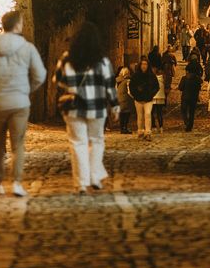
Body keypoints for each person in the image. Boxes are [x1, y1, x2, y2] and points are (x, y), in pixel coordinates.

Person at [0, 8, 46, 197]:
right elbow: (40, 74)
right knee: (18, 145)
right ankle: (17, 184)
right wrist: (27, 90)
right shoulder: (27, 48)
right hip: (20, 103)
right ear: (18, 25)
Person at [54, 22, 118, 193]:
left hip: (74, 107)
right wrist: (115, 105)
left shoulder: (67, 59)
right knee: (97, 141)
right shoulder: (102, 61)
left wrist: (72, 87)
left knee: (78, 143)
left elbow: (58, 81)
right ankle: (95, 176)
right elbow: (110, 85)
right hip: (97, 108)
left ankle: (81, 183)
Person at [128, 56, 158, 140]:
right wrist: (136, 94)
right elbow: (131, 87)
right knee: (140, 116)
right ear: (140, 65)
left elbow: (156, 86)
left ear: (148, 65)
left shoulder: (151, 76)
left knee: (148, 114)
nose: (144, 66)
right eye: (142, 64)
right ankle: (140, 131)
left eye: (145, 64)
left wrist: (151, 94)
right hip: (138, 99)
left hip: (148, 99)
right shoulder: (135, 76)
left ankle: (148, 132)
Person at [116, 65, 133, 133]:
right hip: (126, 99)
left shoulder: (117, 80)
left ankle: (121, 128)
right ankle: (125, 128)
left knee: (121, 114)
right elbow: (129, 91)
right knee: (126, 114)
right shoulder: (127, 81)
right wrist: (133, 97)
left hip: (119, 98)